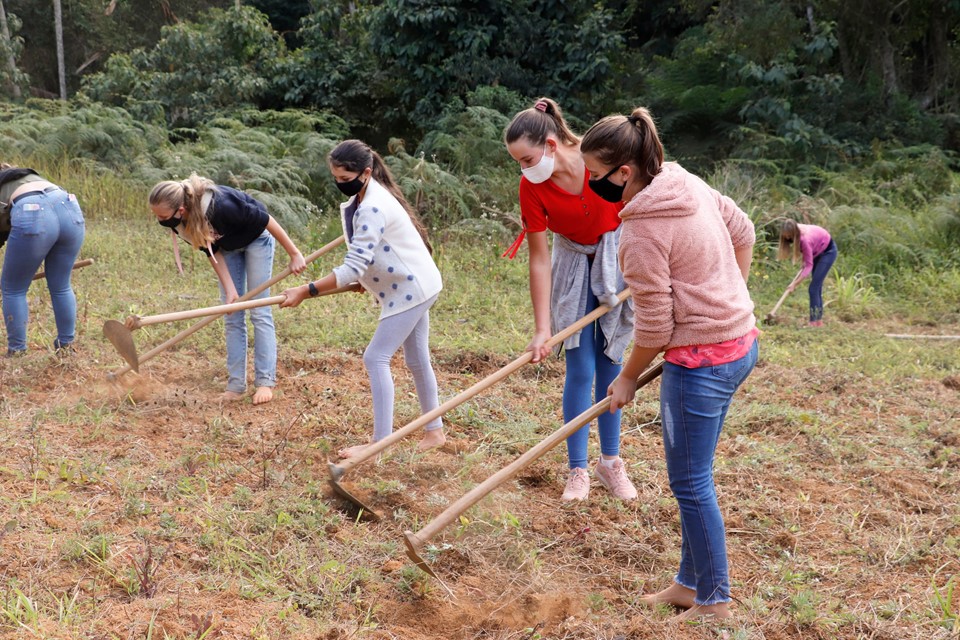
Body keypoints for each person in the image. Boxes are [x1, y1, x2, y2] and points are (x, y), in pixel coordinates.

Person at [580, 107, 759, 620]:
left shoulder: (639, 233)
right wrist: (732, 302)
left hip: (700, 365)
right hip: (739, 346)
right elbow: (743, 230)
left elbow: (655, 330)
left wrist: (627, 377)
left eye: (595, 177)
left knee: (690, 483)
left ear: (624, 173)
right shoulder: (684, 179)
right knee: (694, 474)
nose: (592, 185)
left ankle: (715, 602)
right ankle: (689, 583)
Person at [503, 98, 637, 502]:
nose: (524, 169)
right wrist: (543, 329)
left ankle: (610, 463)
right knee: (580, 367)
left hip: (618, 258)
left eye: (526, 158)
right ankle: (578, 469)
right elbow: (540, 258)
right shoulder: (532, 186)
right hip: (572, 265)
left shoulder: (600, 159)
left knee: (611, 365)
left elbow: (639, 206)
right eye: (518, 163)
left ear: (549, 143)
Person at [280, 139, 446, 458]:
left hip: (411, 289)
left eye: (345, 179)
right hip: (418, 283)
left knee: (376, 357)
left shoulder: (372, 205)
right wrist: (362, 282)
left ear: (366, 172)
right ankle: (434, 431)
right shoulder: (368, 195)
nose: (340, 184)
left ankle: (379, 445)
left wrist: (306, 290)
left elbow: (354, 265)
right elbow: (369, 260)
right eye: (336, 178)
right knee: (415, 359)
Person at [147, 175, 307, 405]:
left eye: (162, 216)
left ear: (180, 209)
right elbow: (212, 252)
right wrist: (231, 290)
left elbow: (266, 220)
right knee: (232, 314)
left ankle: (264, 382)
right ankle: (236, 386)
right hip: (227, 249)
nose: (159, 220)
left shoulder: (221, 207)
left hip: (256, 240)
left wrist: (294, 254)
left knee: (259, 310)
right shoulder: (179, 223)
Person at [0, 165, 85, 357]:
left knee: (13, 288)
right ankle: (66, 345)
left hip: (33, 212)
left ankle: (18, 351)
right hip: (69, 207)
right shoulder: (24, 177)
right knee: (61, 285)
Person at [777, 220, 837, 327]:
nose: (786, 238)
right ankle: (818, 322)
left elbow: (809, 266)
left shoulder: (805, 240)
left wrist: (794, 284)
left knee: (813, 288)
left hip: (828, 252)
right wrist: (804, 260)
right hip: (817, 249)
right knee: (816, 288)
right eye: (785, 236)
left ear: (794, 233)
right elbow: (807, 255)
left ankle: (813, 322)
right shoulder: (794, 231)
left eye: (789, 236)